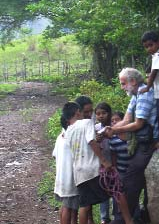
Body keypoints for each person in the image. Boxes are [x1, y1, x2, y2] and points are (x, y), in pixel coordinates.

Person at [63, 102, 134, 224]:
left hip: (79, 173)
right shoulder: (86, 122)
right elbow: (90, 141)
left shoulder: (68, 131)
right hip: (93, 169)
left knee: (84, 205)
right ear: (77, 113)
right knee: (118, 191)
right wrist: (104, 161)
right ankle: (129, 222)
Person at [104, 68, 158, 223]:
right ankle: (131, 216)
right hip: (142, 142)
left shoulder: (144, 93)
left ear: (133, 81)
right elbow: (127, 119)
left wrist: (114, 131)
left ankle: (123, 219)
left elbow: (138, 123)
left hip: (149, 142)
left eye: (123, 84)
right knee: (132, 180)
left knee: (130, 180)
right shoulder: (136, 94)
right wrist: (107, 130)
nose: (122, 87)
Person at [53, 116, 79, 224]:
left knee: (67, 206)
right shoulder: (72, 138)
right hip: (70, 180)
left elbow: (54, 155)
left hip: (62, 179)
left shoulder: (60, 137)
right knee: (68, 208)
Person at [75, 95, 96, 224]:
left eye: (90, 111)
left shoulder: (83, 122)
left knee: (87, 201)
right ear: (78, 112)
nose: (89, 114)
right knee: (84, 204)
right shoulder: (82, 124)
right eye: (86, 112)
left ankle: (91, 221)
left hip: (83, 167)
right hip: (83, 168)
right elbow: (91, 142)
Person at [94, 102, 113, 224]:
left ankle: (118, 214)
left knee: (117, 190)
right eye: (98, 114)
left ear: (109, 114)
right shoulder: (95, 128)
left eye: (104, 113)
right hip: (102, 165)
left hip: (115, 163)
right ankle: (104, 217)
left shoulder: (115, 126)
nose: (101, 116)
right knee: (104, 191)